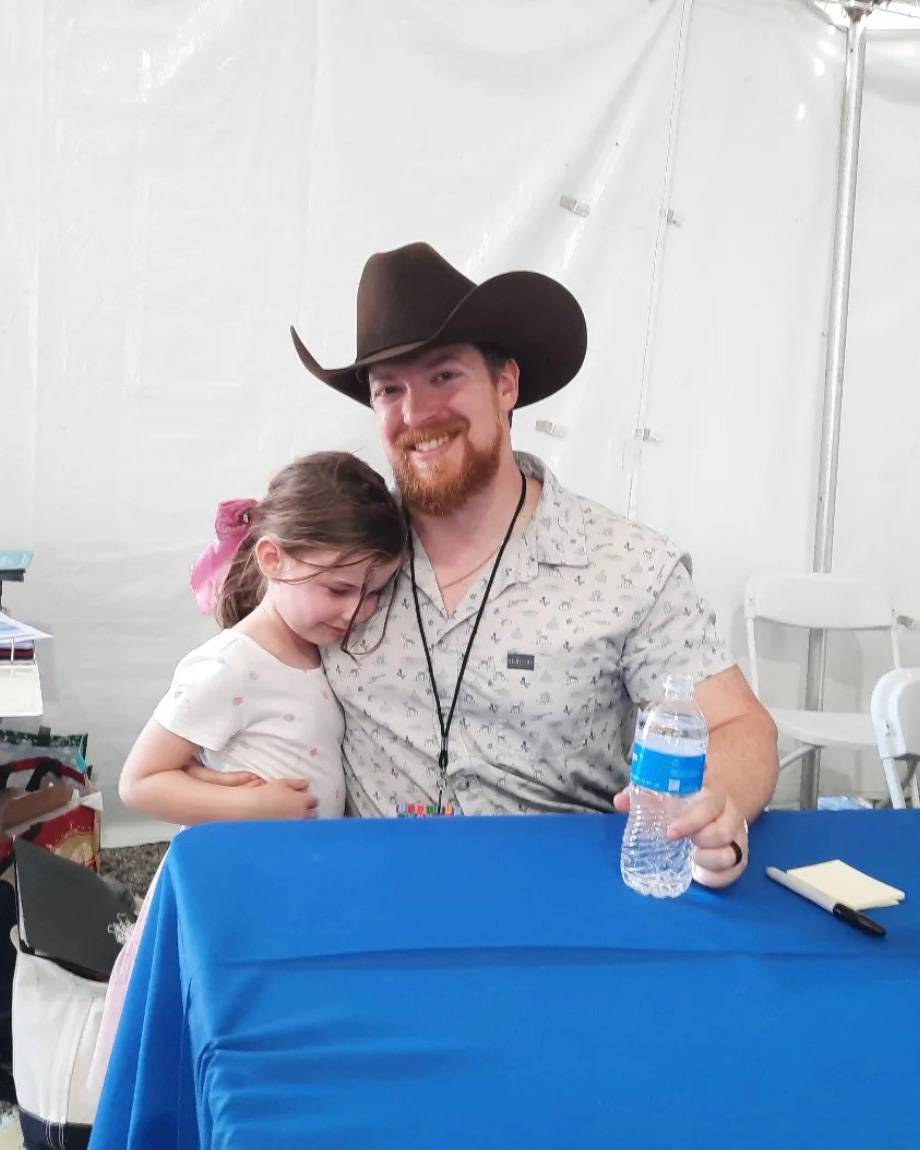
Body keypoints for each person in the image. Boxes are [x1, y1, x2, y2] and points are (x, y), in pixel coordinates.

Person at [291, 241, 779, 889]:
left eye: (444, 376)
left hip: (566, 907)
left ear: (506, 385)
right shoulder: (336, 555)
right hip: (378, 899)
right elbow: (249, 659)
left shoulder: (629, 568)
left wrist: (718, 807)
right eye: (390, 389)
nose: (416, 413)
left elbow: (740, 725)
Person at [88, 451, 406, 1090]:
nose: (358, 612)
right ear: (273, 559)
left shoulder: (325, 652)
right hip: (229, 889)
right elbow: (140, 782)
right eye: (339, 590)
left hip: (286, 883)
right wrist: (251, 806)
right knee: (201, 1045)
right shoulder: (229, 665)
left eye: (375, 592)